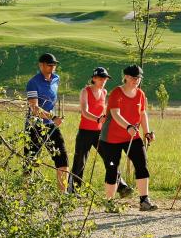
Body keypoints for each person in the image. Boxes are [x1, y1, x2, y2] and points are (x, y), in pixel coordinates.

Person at [99, 64, 157, 212]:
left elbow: (143, 114)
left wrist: (147, 132)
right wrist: (128, 127)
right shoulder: (116, 93)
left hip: (133, 136)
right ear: (125, 76)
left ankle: (144, 201)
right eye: (132, 77)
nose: (136, 80)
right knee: (112, 169)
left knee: (142, 165)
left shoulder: (140, 94)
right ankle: (109, 203)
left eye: (138, 78)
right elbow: (116, 114)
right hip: (111, 139)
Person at [67, 67, 132, 197]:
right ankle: (73, 190)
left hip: (99, 133)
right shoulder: (85, 91)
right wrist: (97, 119)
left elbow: (103, 112)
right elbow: (84, 112)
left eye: (105, 79)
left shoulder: (104, 92)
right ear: (94, 78)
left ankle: (121, 186)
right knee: (80, 161)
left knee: (110, 159)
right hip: (85, 132)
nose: (103, 81)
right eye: (101, 78)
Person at [24, 53, 69, 192]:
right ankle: (27, 194)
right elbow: (34, 108)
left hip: (51, 126)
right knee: (31, 160)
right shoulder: (33, 82)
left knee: (62, 158)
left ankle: (63, 193)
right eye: (50, 65)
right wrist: (53, 117)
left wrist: (54, 117)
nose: (53, 67)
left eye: (54, 64)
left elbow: (51, 100)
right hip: (35, 126)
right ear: (41, 65)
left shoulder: (56, 78)